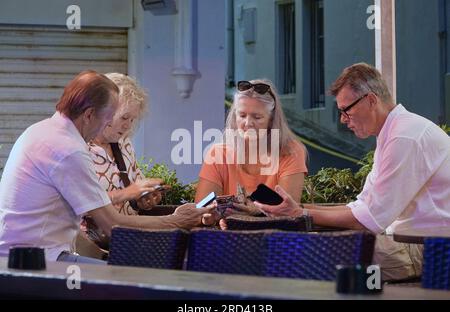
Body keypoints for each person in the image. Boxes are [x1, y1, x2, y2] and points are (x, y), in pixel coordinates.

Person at [253, 63, 450, 281]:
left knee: (311, 257)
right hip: (410, 242)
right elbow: (360, 208)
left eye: (346, 110)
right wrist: (298, 208)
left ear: (371, 100)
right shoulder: (395, 132)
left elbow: (367, 221)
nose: (343, 120)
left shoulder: (404, 137)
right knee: (305, 250)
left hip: (429, 251)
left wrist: (300, 214)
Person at [0, 70, 213, 264]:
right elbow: (111, 225)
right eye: (109, 118)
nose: (110, 125)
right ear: (90, 114)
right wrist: (176, 221)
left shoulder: (42, 130)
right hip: (34, 260)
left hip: (34, 252)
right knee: (136, 283)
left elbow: (71, 227)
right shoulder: (69, 149)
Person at [195, 79, 308, 216]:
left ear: (271, 120)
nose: (248, 123)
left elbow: (288, 211)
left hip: (275, 235)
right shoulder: (218, 154)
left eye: (257, 117)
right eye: (242, 115)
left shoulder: (291, 151)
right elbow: (202, 210)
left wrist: (253, 212)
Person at [82, 73, 162, 250]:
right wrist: (128, 193)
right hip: (92, 250)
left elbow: (133, 188)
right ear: (105, 112)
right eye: (124, 118)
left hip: (127, 242)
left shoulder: (124, 144)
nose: (128, 126)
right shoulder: (79, 149)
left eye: (133, 119)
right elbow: (81, 204)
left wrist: (143, 198)